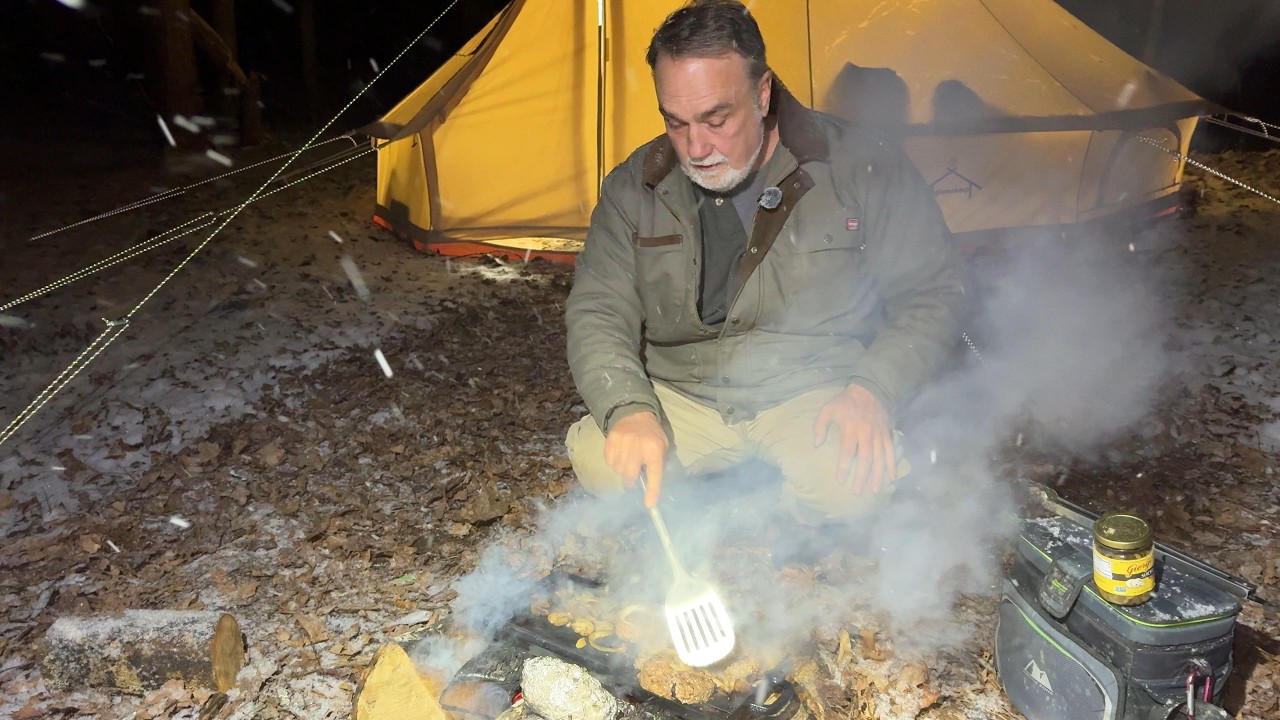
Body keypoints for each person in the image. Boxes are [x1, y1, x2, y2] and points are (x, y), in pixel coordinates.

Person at [564, 0, 963, 530]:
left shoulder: (863, 167)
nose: (696, 147)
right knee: (604, 464)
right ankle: (722, 497)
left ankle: (775, 510)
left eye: (716, 119)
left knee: (852, 489)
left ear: (763, 92)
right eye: (675, 122)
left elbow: (932, 294)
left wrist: (873, 392)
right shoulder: (634, 186)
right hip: (687, 395)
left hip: (812, 390)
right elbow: (598, 311)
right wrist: (628, 409)